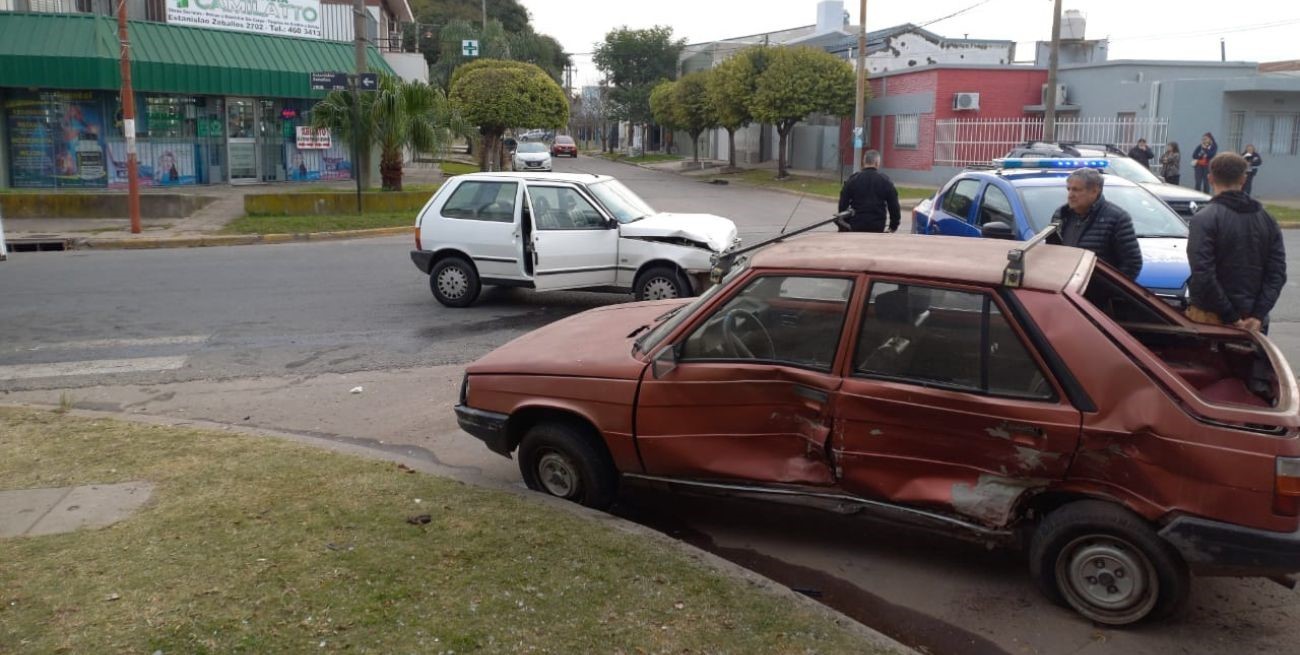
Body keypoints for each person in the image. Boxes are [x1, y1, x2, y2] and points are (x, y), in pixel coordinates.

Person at [1186, 152, 1286, 333]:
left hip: (1211, 318)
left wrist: (1231, 317)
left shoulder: (1204, 219)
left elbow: (1203, 273)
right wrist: (1258, 314)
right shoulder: (1267, 220)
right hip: (1254, 320)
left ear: (1210, 178)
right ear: (1243, 179)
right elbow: (1277, 273)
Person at [1047, 168, 1143, 279]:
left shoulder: (1116, 218)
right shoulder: (1061, 215)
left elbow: (1132, 263)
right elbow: (1052, 254)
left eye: (1076, 190)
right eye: (1069, 189)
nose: (1070, 195)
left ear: (1094, 191)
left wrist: (1109, 289)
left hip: (1098, 288)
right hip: (1065, 286)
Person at [837, 149, 901, 233]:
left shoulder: (853, 180)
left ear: (864, 162)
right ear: (877, 163)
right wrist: (893, 226)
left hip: (856, 224)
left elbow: (843, 202)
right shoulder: (885, 181)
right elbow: (894, 206)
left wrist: (845, 222)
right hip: (877, 226)